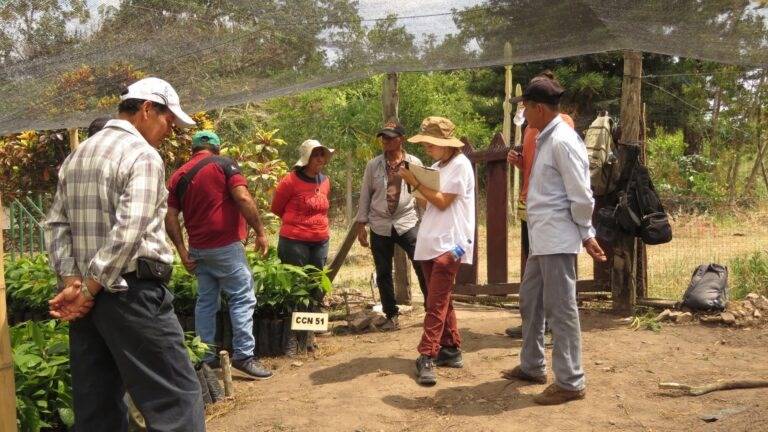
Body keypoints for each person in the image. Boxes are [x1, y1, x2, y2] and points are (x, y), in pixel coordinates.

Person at [46, 77, 205, 431]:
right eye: (168, 120)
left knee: (97, 407)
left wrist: (73, 283)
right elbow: (129, 231)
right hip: (133, 295)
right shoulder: (142, 156)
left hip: (88, 307)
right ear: (148, 109)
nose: (170, 130)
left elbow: (56, 225)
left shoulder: (78, 155)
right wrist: (87, 288)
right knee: (175, 400)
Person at [500, 76, 606, 405]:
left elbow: (581, 193)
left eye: (526, 108)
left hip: (558, 238)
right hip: (542, 236)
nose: (523, 115)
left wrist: (586, 232)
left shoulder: (562, 140)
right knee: (530, 300)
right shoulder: (544, 136)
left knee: (562, 310)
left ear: (540, 108)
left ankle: (571, 381)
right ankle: (533, 365)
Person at [165, 130, 273, 380]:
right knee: (242, 297)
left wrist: (182, 251)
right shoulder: (225, 165)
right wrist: (260, 231)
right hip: (225, 246)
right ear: (217, 148)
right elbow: (243, 197)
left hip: (198, 249)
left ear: (193, 150)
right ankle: (244, 356)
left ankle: (207, 359)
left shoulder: (179, 175)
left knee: (206, 301)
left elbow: (170, 217)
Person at [399, 116, 475, 386]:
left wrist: (416, 182)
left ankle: (427, 355)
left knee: (435, 302)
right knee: (440, 297)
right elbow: (426, 200)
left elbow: (442, 202)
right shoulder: (437, 166)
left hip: (451, 243)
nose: (427, 148)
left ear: (446, 144)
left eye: (431, 143)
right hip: (432, 240)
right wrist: (411, 181)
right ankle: (451, 348)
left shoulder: (460, 166)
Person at [505, 71, 575, 339]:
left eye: (527, 102)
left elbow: (566, 173)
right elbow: (536, 166)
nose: (523, 108)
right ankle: (533, 327)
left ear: (540, 105)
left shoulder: (562, 128)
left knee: (555, 280)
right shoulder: (530, 129)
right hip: (530, 204)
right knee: (531, 270)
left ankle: (552, 330)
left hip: (554, 216)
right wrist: (518, 161)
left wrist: (584, 227)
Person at [355, 120, 428, 331]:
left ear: (401, 140)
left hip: (407, 221)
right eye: (383, 138)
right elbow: (365, 195)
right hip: (380, 224)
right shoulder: (373, 165)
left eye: (390, 137)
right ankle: (391, 315)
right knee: (383, 271)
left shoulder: (413, 162)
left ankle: (431, 310)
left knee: (422, 264)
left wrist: (425, 223)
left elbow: (422, 192)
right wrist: (362, 224)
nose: (385, 141)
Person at [271, 139, 333, 350]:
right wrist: (298, 224)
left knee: (315, 287)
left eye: (322, 155)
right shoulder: (289, 181)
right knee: (297, 287)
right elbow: (276, 207)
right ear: (306, 159)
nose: (320, 159)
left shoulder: (325, 181)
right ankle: (292, 338)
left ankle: (309, 337)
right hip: (294, 241)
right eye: (316, 155)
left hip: (320, 240)